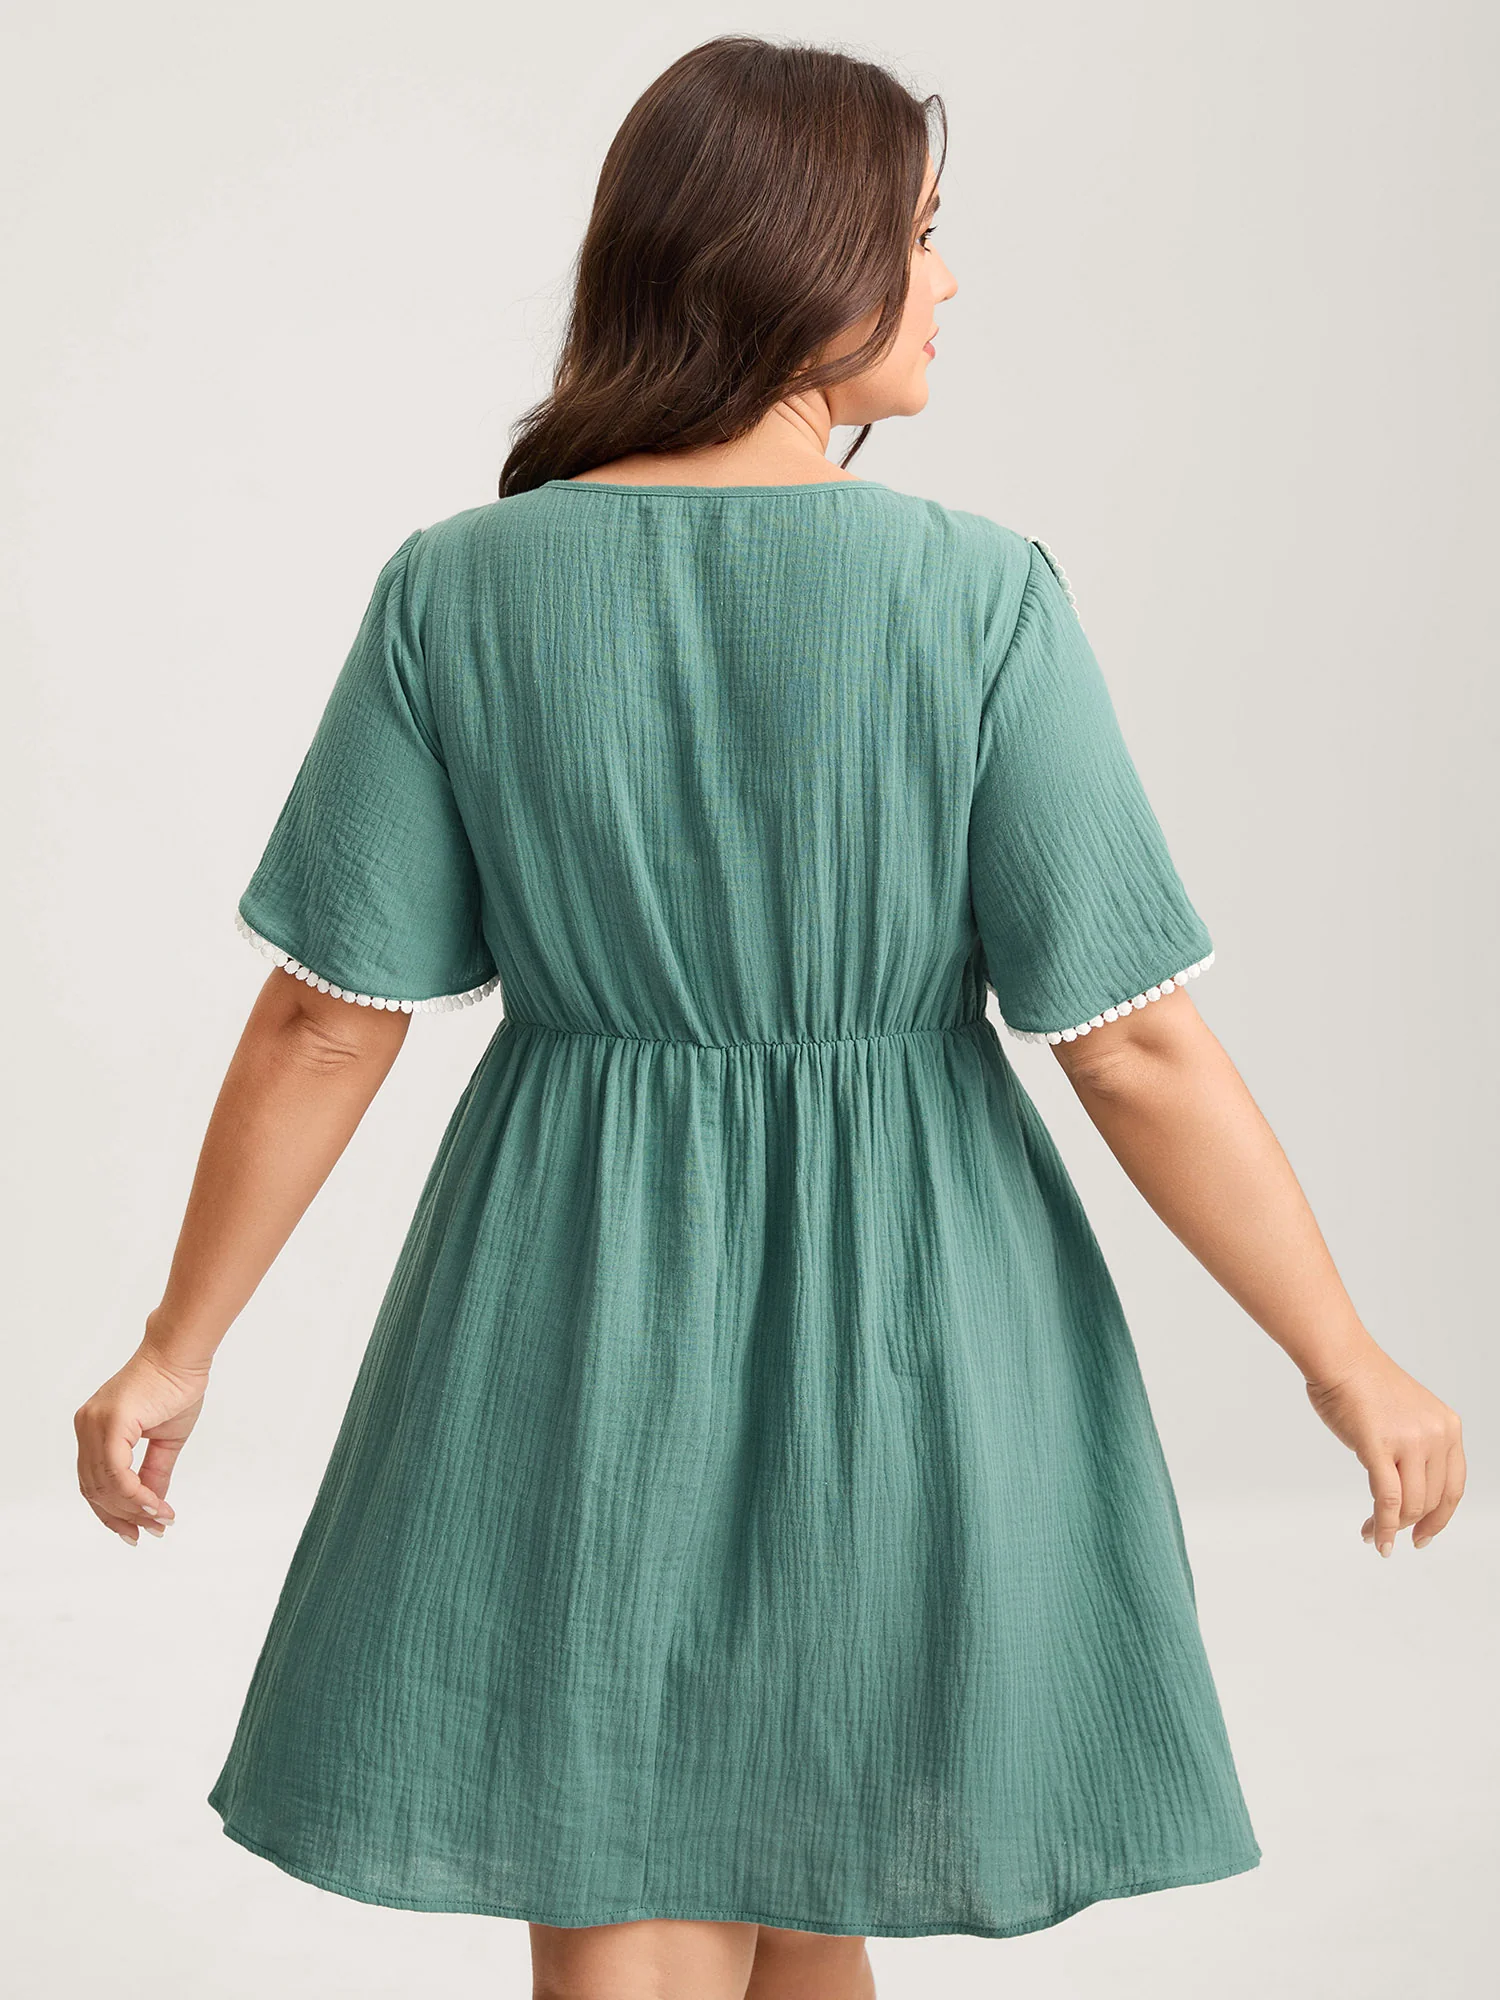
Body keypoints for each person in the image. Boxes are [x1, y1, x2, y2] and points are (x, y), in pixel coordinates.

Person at [73, 33, 1465, 2000]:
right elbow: (1130, 1040)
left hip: (571, 1285)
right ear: (800, 258)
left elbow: (328, 1019)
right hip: (917, 1298)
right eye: (920, 233)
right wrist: (1343, 1358)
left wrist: (176, 1346)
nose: (950, 278)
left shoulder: (458, 592)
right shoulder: (977, 596)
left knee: (646, 1847)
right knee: (811, 1865)